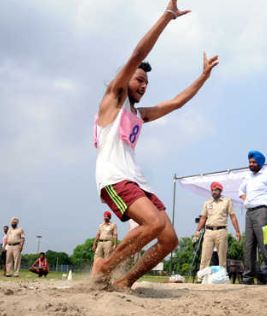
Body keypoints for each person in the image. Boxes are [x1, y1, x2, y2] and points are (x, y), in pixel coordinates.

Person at [92, 0, 219, 291]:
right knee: (151, 225)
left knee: (169, 238)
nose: (143, 85)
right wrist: (167, 17)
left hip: (138, 181)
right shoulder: (113, 99)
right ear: (126, 79)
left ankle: (125, 281)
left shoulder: (138, 114)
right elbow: (138, 53)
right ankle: (104, 268)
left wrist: (203, 76)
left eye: (147, 83)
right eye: (139, 79)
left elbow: (174, 103)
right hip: (115, 179)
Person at [238, 150, 267, 284]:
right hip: (249, 213)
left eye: (254, 162)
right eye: (250, 162)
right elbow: (240, 191)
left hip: (263, 211)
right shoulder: (248, 176)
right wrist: (246, 200)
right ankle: (248, 277)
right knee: (248, 246)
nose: (251, 164)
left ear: (260, 162)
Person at [194, 182, 241, 271]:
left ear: (220, 190)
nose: (214, 192)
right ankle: (201, 277)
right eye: (212, 190)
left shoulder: (227, 201)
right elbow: (203, 218)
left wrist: (237, 231)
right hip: (208, 231)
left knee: (222, 257)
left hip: (221, 231)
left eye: (216, 190)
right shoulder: (207, 202)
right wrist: (197, 230)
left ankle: (222, 277)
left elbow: (233, 216)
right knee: (205, 256)